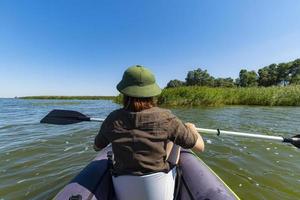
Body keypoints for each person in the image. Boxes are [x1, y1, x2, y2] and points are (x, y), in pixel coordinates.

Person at [94, 65, 205, 200]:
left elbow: (97, 147)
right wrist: (190, 128)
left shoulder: (112, 118)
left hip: (123, 190)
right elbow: (200, 147)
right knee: (174, 139)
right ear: (151, 93)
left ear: (124, 93)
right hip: (159, 190)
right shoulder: (166, 118)